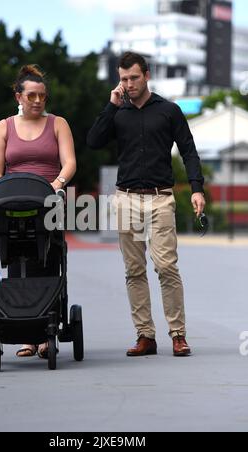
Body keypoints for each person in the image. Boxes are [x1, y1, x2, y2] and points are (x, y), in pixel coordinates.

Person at [87, 52, 205, 357]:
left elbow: (189, 151)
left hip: (160, 198)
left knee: (166, 266)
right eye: (124, 79)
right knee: (134, 270)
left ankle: (178, 334)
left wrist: (196, 189)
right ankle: (145, 336)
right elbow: (94, 141)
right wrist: (111, 105)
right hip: (125, 198)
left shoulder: (169, 110)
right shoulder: (118, 112)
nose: (129, 84)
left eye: (134, 78)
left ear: (147, 76)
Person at [0, 64, 76, 358]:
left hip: (48, 199)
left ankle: (43, 332)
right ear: (19, 97)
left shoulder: (58, 124)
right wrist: (2, 191)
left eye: (43, 96)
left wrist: (56, 184)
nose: (38, 101)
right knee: (16, 256)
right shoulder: (4, 126)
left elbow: (69, 163)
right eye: (32, 96)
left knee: (49, 258)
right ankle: (25, 334)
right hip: (12, 202)